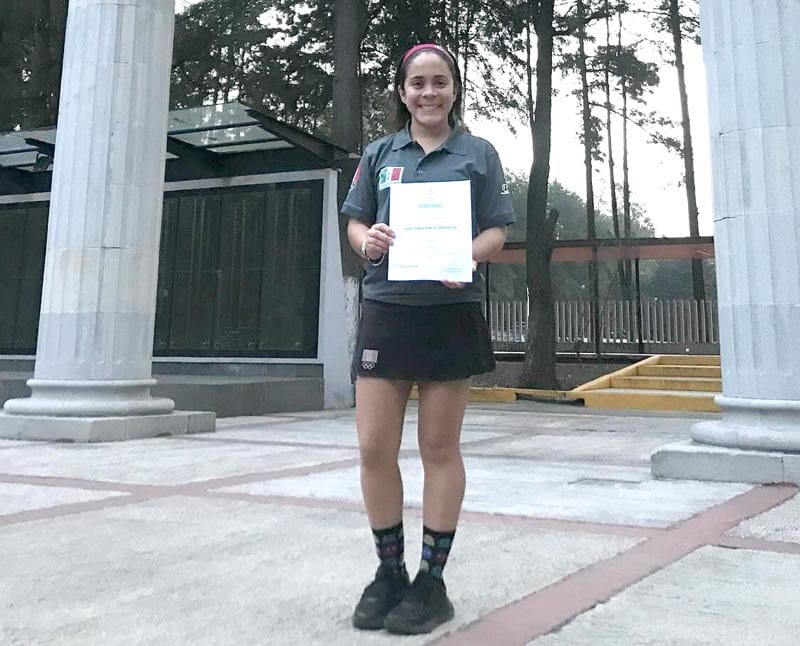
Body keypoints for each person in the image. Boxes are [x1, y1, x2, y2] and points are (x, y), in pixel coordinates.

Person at [341, 42, 515, 635]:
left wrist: (463, 256)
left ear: (455, 89)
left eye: (440, 82)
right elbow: (356, 221)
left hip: (450, 312)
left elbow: (496, 231)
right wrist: (367, 242)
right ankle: (388, 573)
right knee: (373, 447)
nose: (428, 93)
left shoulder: (479, 154)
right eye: (417, 83)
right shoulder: (378, 154)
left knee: (439, 450)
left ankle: (431, 582)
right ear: (401, 91)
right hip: (386, 310)